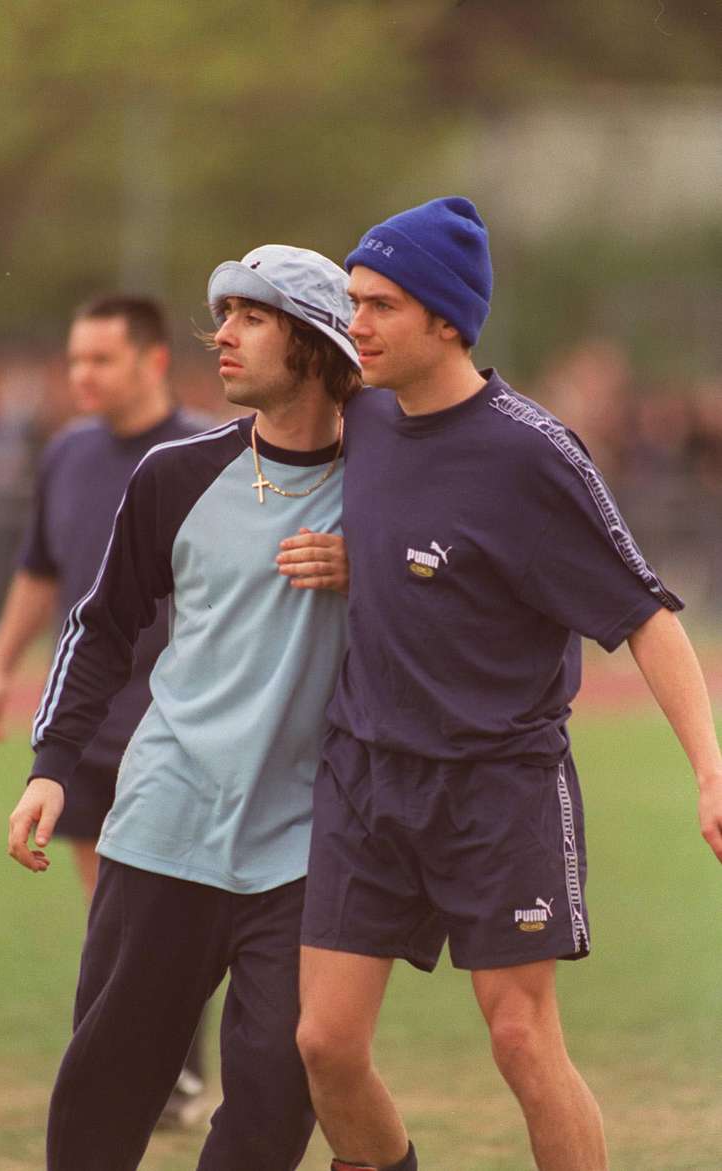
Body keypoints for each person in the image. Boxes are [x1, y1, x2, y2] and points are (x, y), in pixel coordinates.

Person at [294, 197, 722, 1171]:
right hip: (366, 774)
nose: (356, 323)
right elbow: (425, 551)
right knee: (325, 1044)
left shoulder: (531, 451)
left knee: (523, 1041)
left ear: (446, 319)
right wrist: (364, 563)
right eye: (353, 301)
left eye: (380, 305)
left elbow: (646, 614)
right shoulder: (364, 419)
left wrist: (709, 768)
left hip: (499, 785)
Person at [6, 244, 361, 1171]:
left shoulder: (390, 489)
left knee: (277, 1098)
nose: (223, 334)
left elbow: (469, 587)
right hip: (163, 825)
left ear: (315, 343)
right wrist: (51, 766)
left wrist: (372, 566)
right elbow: (100, 627)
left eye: (253, 317)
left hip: (307, 849)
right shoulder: (174, 473)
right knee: (106, 1091)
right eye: (225, 313)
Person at [0, 293, 212, 1126]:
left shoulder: (205, 453)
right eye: (75, 359)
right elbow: (40, 570)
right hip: (87, 721)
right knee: (108, 901)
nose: (81, 375)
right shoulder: (67, 453)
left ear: (152, 360)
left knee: (165, 902)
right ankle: (154, 1070)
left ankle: (174, 1070)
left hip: (177, 720)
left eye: (100, 359)